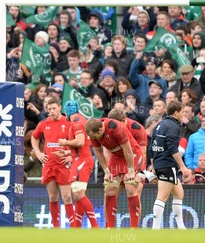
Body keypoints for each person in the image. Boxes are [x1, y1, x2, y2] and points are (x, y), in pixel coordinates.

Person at [84, 116, 143, 228]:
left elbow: (128, 150)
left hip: (132, 154)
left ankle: (134, 228)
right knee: (109, 189)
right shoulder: (92, 131)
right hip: (116, 157)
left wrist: (131, 170)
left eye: (95, 136)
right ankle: (109, 227)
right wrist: (107, 171)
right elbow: (98, 151)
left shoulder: (115, 127)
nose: (93, 138)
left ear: (100, 130)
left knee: (130, 187)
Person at [31, 97, 76, 228]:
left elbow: (78, 143)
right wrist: (38, 153)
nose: (51, 111)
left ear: (60, 108)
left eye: (54, 108)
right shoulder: (44, 123)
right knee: (53, 197)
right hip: (49, 165)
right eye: (49, 109)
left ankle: (74, 227)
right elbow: (34, 138)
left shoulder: (68, 123)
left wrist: (71, 157)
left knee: (67, 197)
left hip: (63, 165)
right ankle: (56, 227)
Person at [150, 100, 191, 229]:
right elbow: (173, 148)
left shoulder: (159, 124)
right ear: (176, 112)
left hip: (159, 163)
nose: (183, 115)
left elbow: (152, 147)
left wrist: (153, 166)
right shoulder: (173, 126)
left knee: (179, 193)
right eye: (182, 112)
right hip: (167, 164)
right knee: (162, 196)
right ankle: (155, 229)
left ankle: (181, 227)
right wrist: (183, 167)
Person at [58, 100, 98, 228]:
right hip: (80, 159)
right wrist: (67, 154)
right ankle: (76, 227)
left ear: (66, 112)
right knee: (77, 195)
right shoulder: (81, 120)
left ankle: (95, 226)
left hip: (82, 161)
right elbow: (83, 146)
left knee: (78, 194)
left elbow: (80, 142)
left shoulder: (76, 123)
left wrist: (64, 142)